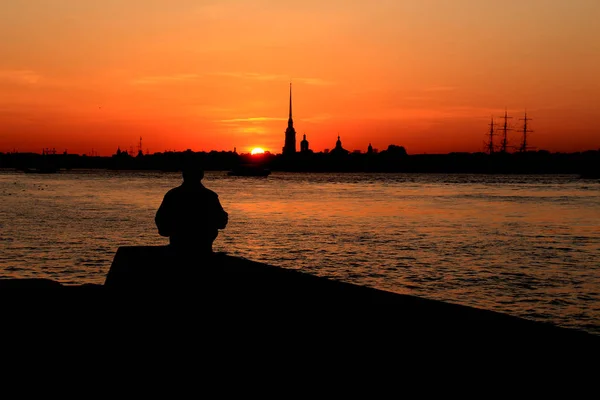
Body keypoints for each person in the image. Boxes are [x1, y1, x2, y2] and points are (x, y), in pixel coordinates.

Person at [155, 160, 228, 255]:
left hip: (178, 248)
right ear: (201, 176)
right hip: (203, 249)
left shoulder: (173, 195)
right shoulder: (209, 196)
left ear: (184, 175)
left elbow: (161, 220)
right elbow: (221, 223)